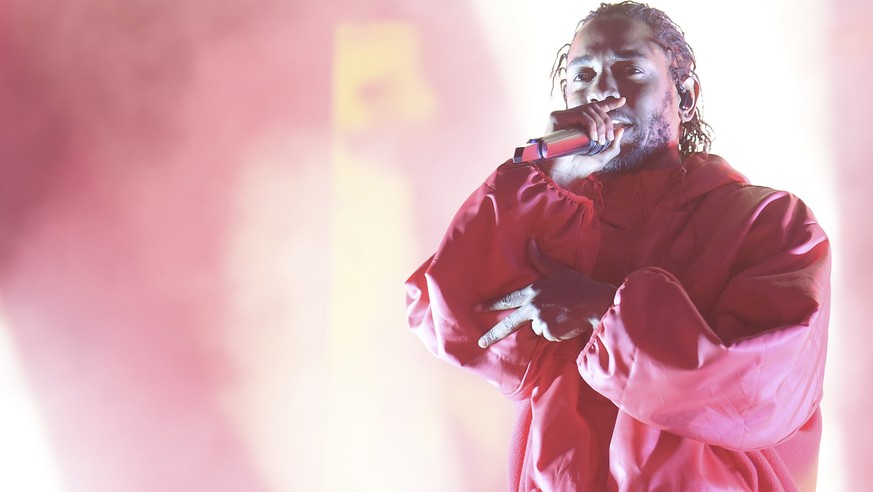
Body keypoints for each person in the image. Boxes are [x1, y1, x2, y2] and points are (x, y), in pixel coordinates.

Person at [405, 2, 830, 491]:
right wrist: (546, 181)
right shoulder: (548, 219)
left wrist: (604, 311)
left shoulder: (768, 222)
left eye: (629, 70)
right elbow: (456, 321)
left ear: (685, 96)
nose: (602, 91)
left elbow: (760, 390)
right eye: (582, 75)